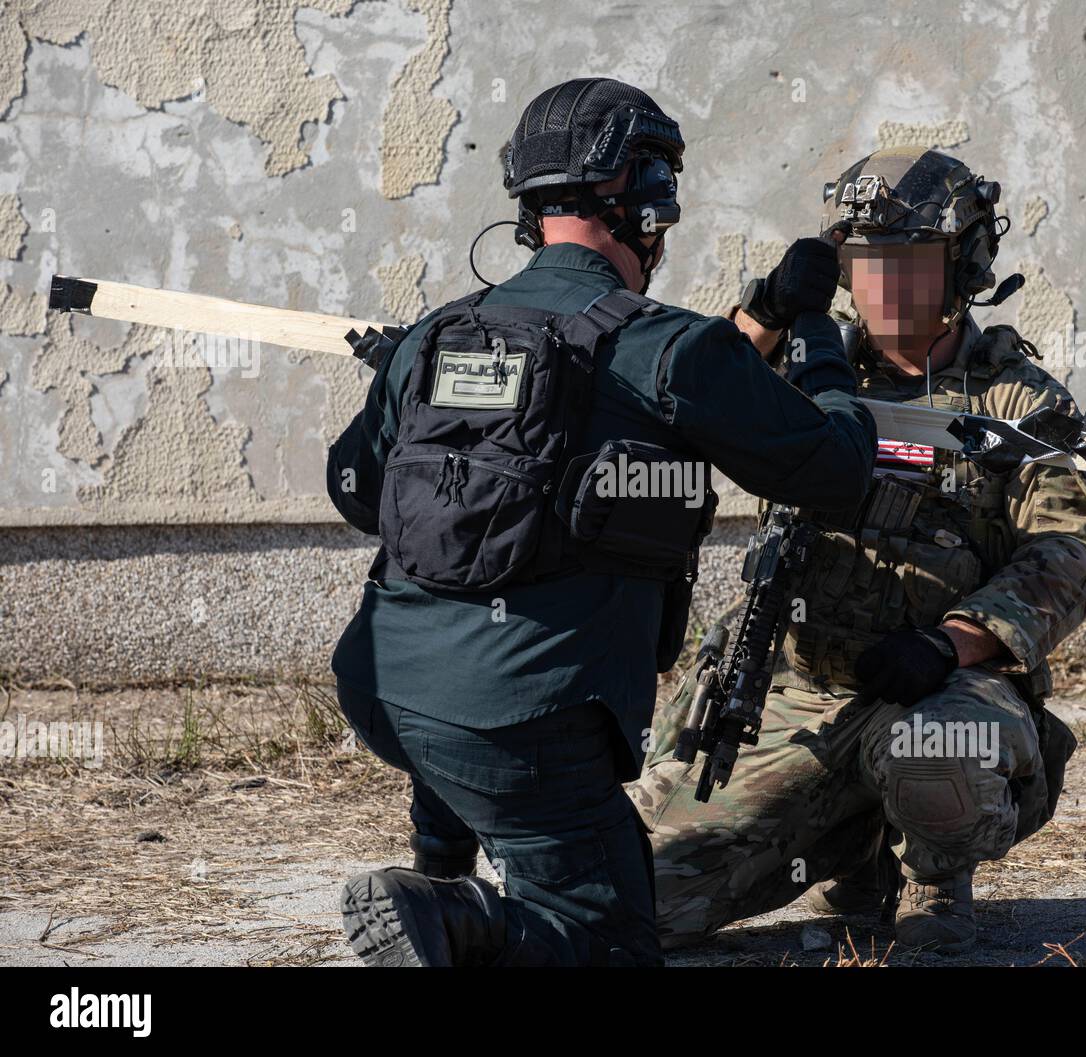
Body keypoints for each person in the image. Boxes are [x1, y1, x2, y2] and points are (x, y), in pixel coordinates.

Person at [325, 78, 876, 966]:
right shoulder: (675, 346)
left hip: (382, 686)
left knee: (468, 673)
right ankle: (456, 922)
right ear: (643, 198)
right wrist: (817, 340)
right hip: (521, 720)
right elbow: (838, 469)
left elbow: (354, 489)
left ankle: (440, 872)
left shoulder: (438, 334)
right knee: (610, 943)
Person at [630, 146, 1086, 955]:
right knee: (646, 905)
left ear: (962, 266)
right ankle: (849, 849)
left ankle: (935, 878)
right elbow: (682, 406)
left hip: (942, 686)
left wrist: (952, 642)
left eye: (910, 261)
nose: (883, 285)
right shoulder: (810, 370)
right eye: (864, 263)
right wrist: (768, 311)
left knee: (931, 759)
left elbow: (1069, 546)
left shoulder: (1016, 399)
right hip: (801, 693)